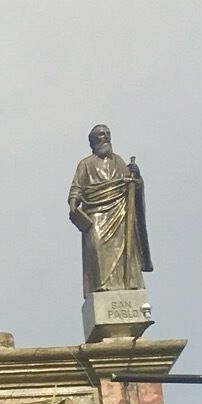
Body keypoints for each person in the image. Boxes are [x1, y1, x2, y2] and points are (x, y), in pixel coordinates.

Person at [68, 126, 150, 296]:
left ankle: (129, 285)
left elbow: (131, 186)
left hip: (119, 212)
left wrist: (137, 177)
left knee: (126, 247)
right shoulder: (85, 164)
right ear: (93, 141)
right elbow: (76, 188)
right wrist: (73, 204)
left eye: (107, 134)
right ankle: (101, 286)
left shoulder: (118, 161)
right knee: (96, 245)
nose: (105, 137)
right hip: (96, 211)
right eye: (101, 135)